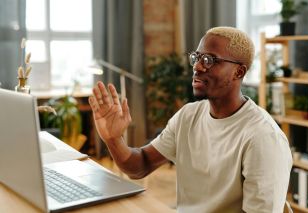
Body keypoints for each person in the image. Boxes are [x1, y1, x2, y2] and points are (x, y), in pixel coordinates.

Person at [88, 26, 292, 213]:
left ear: (239, 72)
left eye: (210, 60)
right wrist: (113, 139)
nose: (198, 67)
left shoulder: (263, 138)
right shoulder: (188, 116)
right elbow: (140, 165)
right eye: (197, 57)